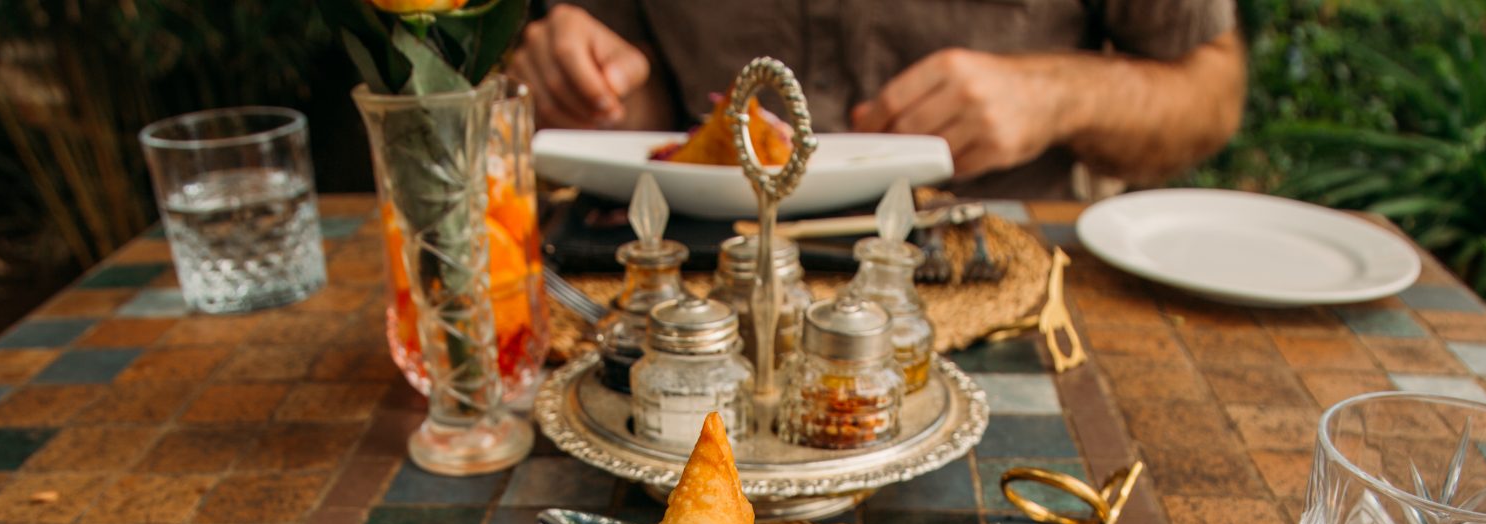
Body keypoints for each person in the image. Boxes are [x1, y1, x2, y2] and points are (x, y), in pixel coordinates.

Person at [507, 1, 1246, 199]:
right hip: (693, 272)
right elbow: (643, 106)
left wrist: (1057, 93)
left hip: (1001, 268)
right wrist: (589, 85)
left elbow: (1211, 92)